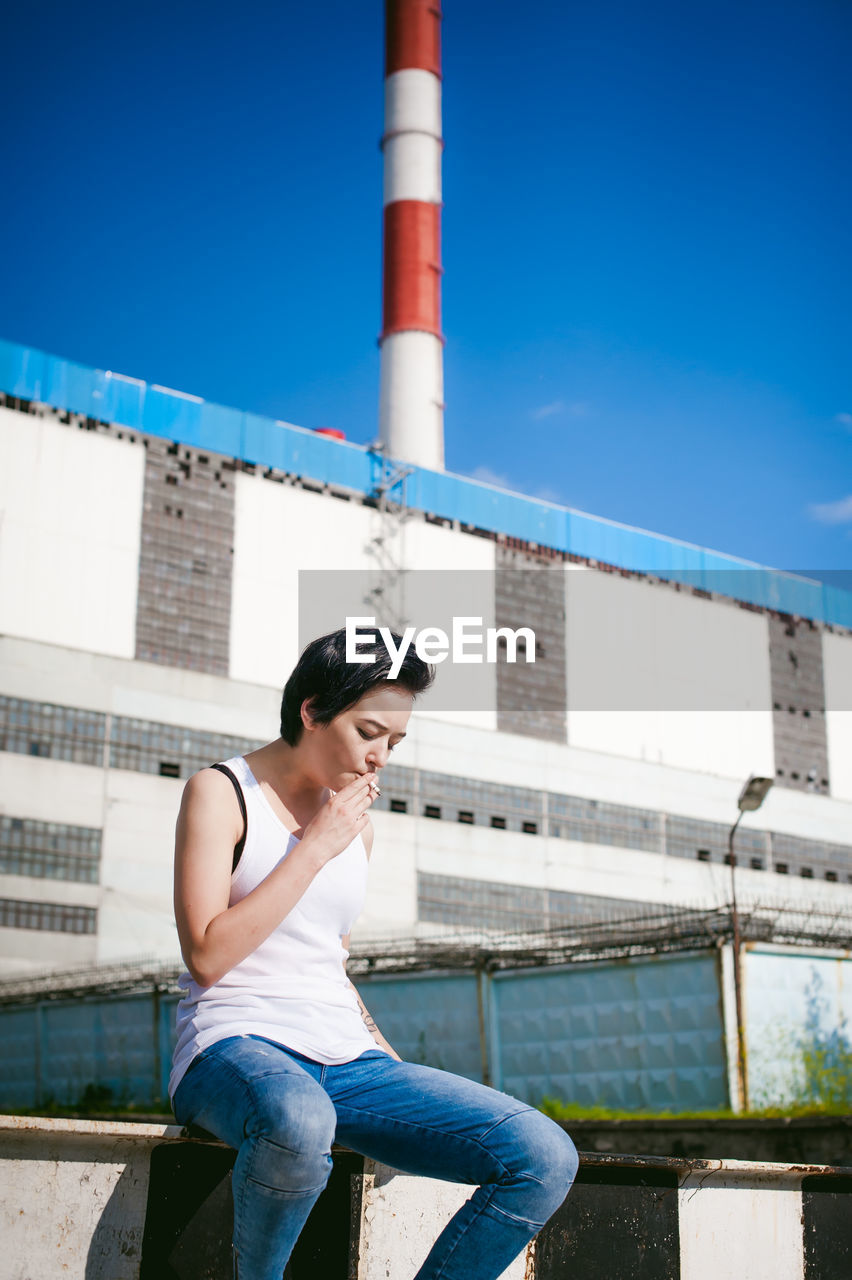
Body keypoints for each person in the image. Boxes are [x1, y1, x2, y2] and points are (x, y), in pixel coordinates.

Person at [169, 626, 578, 1280]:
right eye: (369, 733)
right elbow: (207, 955)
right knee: (301, 1121)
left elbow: (329, 961)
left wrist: (385, 1059)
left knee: (542, 1155)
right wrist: (313, 848)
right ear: (312, 710)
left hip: (345, 1059)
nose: (382, 756)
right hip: (233, 1044)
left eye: (396, 741)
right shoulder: (222, 792)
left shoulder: (356, 827)